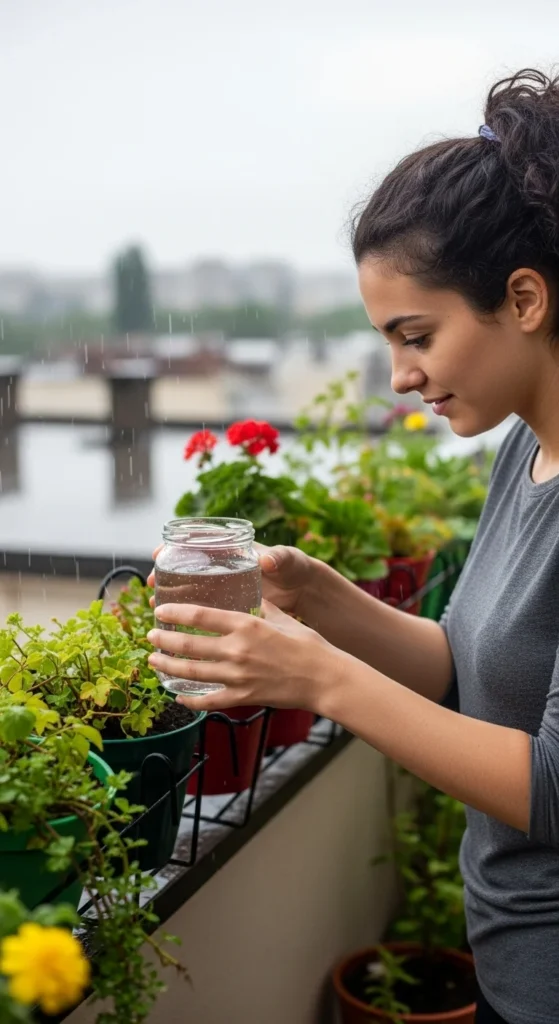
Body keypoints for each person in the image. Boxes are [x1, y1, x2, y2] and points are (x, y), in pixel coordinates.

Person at [146, 69, 559, 1024]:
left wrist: (319, 680)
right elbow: (464, 671)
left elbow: (548, 786)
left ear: (525, 297)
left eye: (415, 335)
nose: (400, 375)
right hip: (505, 956)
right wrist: (321, 599)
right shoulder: (520, 456)